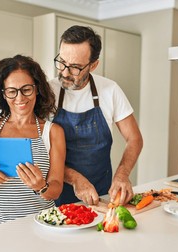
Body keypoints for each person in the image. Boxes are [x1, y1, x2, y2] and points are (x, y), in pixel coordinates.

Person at [0, 55, 65, 228]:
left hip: (40, 226)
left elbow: (56, 190)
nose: (19, 98)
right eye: (12, 91)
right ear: (3, 94)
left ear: (37, 89)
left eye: (26, 89)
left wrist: (41, 186)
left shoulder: (53, 132)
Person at [50, 25, 143, 206]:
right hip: (56, 194)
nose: (65, 72)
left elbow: (134, 138)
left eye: (75, 67)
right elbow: (41, 152)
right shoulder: (47, 92)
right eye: (62, 62)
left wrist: (122, 174)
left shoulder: (110, 90)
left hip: (100, 194)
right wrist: (76, 179)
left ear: (93, 65)